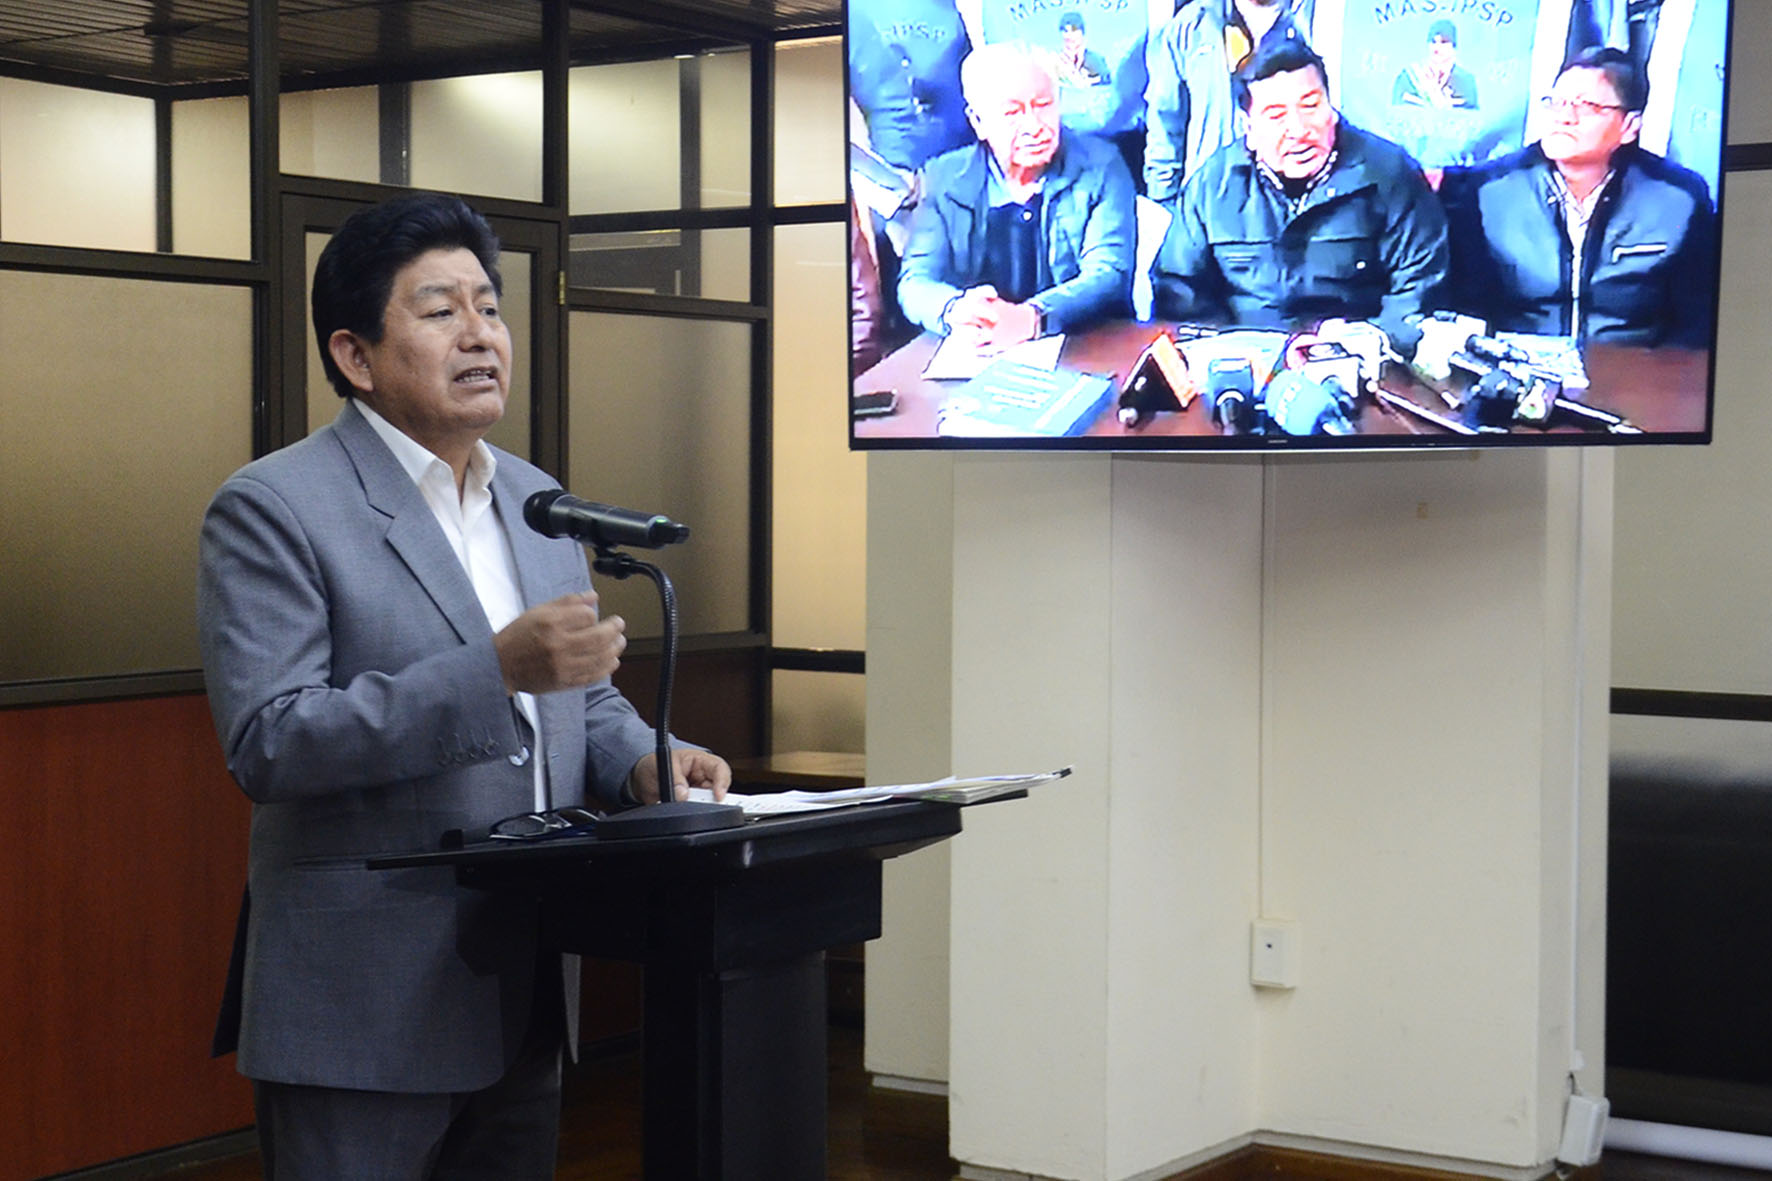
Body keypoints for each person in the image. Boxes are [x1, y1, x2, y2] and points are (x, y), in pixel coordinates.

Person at [197, 193, 731, 1179]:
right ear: (355, 355)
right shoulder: (275, 505)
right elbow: (271, 739)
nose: (480, 334)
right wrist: (494, 672)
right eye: (440, 310)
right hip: (363, 1001)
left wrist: (644, 762)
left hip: (522, 981)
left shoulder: (533, 498)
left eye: (489, 306)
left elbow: (577, 699)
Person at [1153, 38, 1449, 350]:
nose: (1298, 130)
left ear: (1332, 109)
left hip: (1359, 359)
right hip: (1247, 358)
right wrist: (1229, 354)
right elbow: (1178, 293)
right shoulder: (1213, 185)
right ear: (1248, 127)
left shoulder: (1389, 174)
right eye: (1276, 115)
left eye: (1311, 106)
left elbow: (1418, 291)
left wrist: (1368, 345)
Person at [1437, 46, 1716, 348]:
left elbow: (1696, 321)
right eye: (1556, 103)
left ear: (1629, 127)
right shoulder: (1488, 189)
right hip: (1516, 364)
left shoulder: (1678, 197)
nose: (1564, 117)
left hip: (1632, 365)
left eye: (1587, 106)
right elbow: (1467, 307)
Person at [896, 41, 1136, 352]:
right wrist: (954, 308)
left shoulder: (1102, 166)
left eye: (1044, 105)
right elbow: (915, 282)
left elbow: (1109, 273)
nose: (1035, 127)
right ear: (978, 121)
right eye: (1013, 112)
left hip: (1084, 344)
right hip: (980, 349)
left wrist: (1032, 317)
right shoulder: (943, 179)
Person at [1143, 0, 1316, 202]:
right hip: (1208, 204)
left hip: (1299, 205)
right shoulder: (1189, 27)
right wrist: (1163, 200)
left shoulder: (1318, 22)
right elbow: (1165, 124)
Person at [1392, 20, 1479, 110]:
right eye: (1433, 42)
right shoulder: (1408, 78)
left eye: (1443, 42)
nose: (1437, 47)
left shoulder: (1466, 80)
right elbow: (1396, 110)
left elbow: (1472, 113)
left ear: (1453, 46)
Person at [1056, 12, 1111, 88]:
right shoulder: (1055, 61)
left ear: (1082, 33)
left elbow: (1106, 79)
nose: (1069, 36)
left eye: (1073, 31)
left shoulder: (1094, 59)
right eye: (1065, 31)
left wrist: (1090, 81)